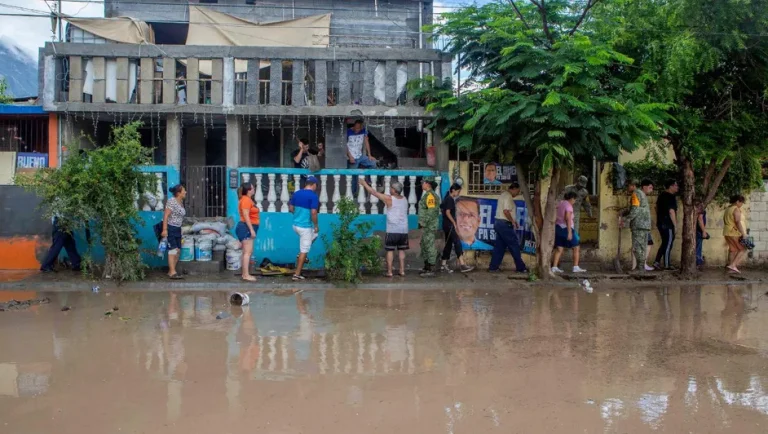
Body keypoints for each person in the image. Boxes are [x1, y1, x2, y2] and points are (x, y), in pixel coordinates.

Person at [360, 178, 409, 277]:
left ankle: (390, 272)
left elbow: (373, 192)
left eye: (391, 188)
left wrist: (364, 184)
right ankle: (402, 271)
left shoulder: (389, 199)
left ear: (394, 190)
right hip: (403, 230)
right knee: (401, 250)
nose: (390, 189)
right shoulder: (404, 199)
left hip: (392, 230)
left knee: (390, 250)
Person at [488, 183, 528, 273]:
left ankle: (493, 267)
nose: (518, 193)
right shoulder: (508, 196)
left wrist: (513, 221)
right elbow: (506, 211)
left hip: (499, 223)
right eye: (518, 191)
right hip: (504, 224)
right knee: (514, 245)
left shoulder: (503, 195)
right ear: (514, 189)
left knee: (499, 247)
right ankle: (521, 267)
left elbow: (506, 212)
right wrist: (513, 222)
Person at [289, 175, 320, 281]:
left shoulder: (296, 193)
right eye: (316, 185)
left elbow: (291, 208)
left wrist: (298, 215)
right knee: (305, 249)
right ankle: (296, 274)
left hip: (295, 225)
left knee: (315, 235)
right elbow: (313, 212)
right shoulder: (313, 196)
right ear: (313, 185)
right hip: (305, 228)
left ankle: (302, 255)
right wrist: (316, 225)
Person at [620, 179, 654, 271]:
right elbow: (635, 208)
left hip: (638, 225)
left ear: (633, 185)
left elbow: (635, 210)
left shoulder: (636, 194)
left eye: (628, 186)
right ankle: (640, 268)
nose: (627, 188)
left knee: (637, 247)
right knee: (642, 247)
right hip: (645, 225)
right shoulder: (642, 195)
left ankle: (640, 269)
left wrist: (625, 220)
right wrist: (625, 212)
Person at [440, 183, 474, 273]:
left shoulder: (447, 198)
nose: (459, 193)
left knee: (448, 244)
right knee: (457, 242)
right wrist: (454, 223)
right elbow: (447, 212)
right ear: (453, 190)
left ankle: (443, 265)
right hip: (450, 225)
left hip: (446, 225)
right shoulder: (450, 199)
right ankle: (462, 265)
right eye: (458, 191)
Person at [552, 191, 587, 273]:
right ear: (571, 198)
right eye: (574, 199)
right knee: (576, 247)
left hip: (558, 228)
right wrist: (569, 232)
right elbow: (567, 218)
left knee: (559, 248)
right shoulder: (569, 206)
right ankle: (575, 266)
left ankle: (554, 267)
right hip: (566, 228)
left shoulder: (561, 203)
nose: (574, 201)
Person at [160, 184, 186, 279]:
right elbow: (166, 215)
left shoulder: (181, 202)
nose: (185, 192)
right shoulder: (172, 201)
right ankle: (172, 272)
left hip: (178, 229)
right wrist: (164, 229)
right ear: (178, 193)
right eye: (184, 190)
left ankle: (171, 271)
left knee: (178, 250)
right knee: (173, 250)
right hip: (170, 228)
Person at [236, 183, 260, 282]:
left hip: (246, 227)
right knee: (247, 252)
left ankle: (245, 273)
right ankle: (245, 275)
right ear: (249, 190)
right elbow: (246, 216)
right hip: (246, 228)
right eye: (253, 188)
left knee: (246, 252)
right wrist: (251, 230)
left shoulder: (247, 199)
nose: (254, 189)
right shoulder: (245, 200)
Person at [654, 179, 679, 270]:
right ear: (670, 186)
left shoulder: (661, 195)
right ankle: (667, 265)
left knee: (665, 243)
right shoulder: (670, 196)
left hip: (660, 223)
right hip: (667, 224)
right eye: (675, 185)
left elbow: (656, 208)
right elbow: (671, 211)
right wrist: (675, 225)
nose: (677, 187)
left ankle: (656, 262)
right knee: (668, 243)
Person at [418, 177, 441, 277]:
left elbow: (431, 212)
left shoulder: (430, 196)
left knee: (429, 246)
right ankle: (427, 267)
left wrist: (423, 222)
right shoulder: (428, 195)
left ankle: (431, 268)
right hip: (427, 225)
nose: (421, 184)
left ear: (428, 184)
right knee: (424, 245)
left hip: (429, 226)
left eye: (423, 182)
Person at [723, 194, 748, 273]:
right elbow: (737, 222)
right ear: (737, 201)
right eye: (741, 203)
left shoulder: (728, 209)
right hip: (733, 232)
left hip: (727, 231)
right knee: (743, 249)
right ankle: (733, 265)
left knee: (732, 250)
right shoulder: (735, 209)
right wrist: (743, 234)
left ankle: (730, 268)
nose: (741, 205)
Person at [695, 199, 708, 268]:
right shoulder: (700, 207)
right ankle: (698, 263)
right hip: (698, 231)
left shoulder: (695, 207)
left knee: (697, 246)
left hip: (696, 230)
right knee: (698, 247)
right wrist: (703, 231)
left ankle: (698, 261)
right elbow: (700, 219)